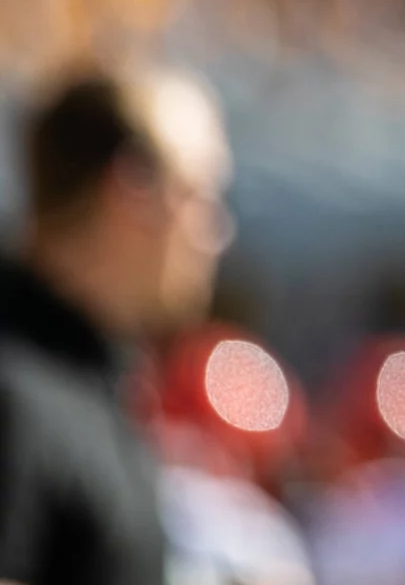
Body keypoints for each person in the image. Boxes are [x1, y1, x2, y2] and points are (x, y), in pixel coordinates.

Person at [0, 65, 233, 584]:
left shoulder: (84, 379)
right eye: (197, 195)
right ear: (132, 192)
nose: (216, 231)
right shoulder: (18, 391)